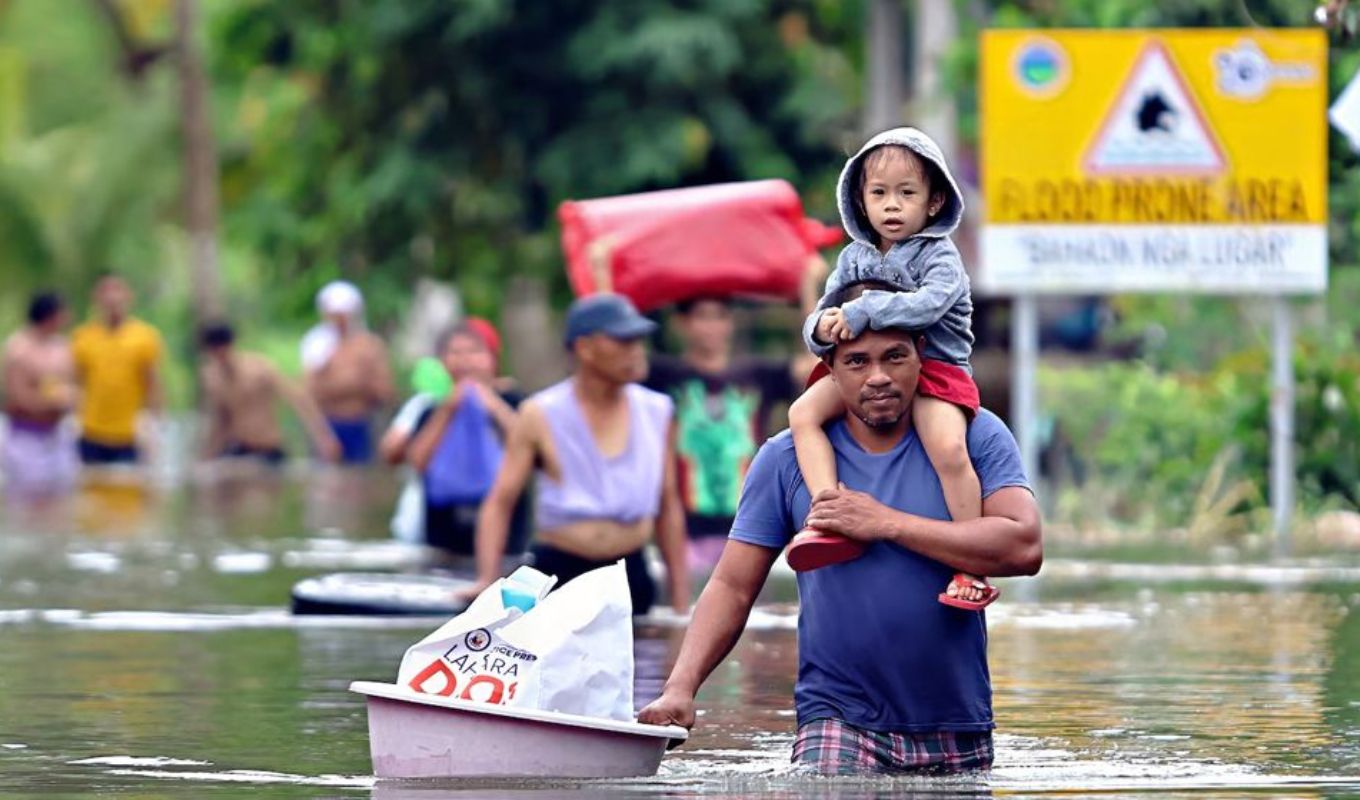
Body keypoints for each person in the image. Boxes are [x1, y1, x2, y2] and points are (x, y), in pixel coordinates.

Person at [638, 280, 1042, 773]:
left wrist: (886, 523)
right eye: (856, 362)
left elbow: (1023, 546)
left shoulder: (972, 434)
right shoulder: (785, 458)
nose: (878, 377)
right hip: (836, 719)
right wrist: (680, 687)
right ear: (828, 369)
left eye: (894, 357)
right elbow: (732, 585)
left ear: (922, 352)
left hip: (957, 720)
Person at [787, 127, 993, 609]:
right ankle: (828, 514)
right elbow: (824, 310)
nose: (892, 206)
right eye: (879, 194)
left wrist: (863, 312)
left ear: (934, 201)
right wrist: (821, 329)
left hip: (936, 368)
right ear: (860, 201)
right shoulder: (854, 257)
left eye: (907, 194)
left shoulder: (940, 255)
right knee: (802, 414)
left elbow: (929, 304)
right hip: (869, 370)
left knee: (948, 447)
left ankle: (972, 563)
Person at [462, 294, 690, 615]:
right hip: (559, 570)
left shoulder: (657, 411)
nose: (637, 351)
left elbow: (668, 506)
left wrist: (681, 604)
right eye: (623, 341)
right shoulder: (540, 412)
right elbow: (501, 501)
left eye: (638, 341)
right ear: (585, 348)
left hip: (629, 574)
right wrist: (486, 579)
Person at [643, 258, 826, 573]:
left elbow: (816, 368)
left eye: (720, 316)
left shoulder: (755, 374)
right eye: (702, 317)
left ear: (731, 323)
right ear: (681, 323)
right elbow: (611, 348)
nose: (712, 326)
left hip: (749, 529)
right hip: (684, 534)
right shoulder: (664, 377)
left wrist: (807, 289)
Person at [380, 319, 531, 554]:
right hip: (444, 536)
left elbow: (529, 446)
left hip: (506, 537)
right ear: (441, 361)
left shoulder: (513, 402)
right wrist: (448, 410)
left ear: (492, 359)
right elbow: (417, 461)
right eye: (455, 353)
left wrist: (491, 404)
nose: (465, 360)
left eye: (474, 351)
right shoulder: (431, 408)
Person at [198, 322, 341, 465]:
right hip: (239, 449)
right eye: (214, 351)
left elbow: (297, 399)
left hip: (268, 448)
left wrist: (324, 438)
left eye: (222, 348)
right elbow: (221, 421)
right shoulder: (212, 379)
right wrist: (208, 454)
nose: (220, 355)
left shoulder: (258, 369)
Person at [71, 273, 164, 465]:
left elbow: (152, 383)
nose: (112, 297)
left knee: (128, 483)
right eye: (105, 291)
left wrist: (154, 424)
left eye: (117, 290)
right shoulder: (82, 337)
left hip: (129, 434)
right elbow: (77, 383)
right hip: (91, 432)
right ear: (95, 298)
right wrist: (73, 419)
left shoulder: (145, 337)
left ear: (129, 296)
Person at [301, 280, 395, 464]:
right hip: (328, 424)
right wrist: (323, 435)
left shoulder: (369, 346)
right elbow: (310, 392)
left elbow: (385, 390)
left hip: (362, 424)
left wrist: (358, 383)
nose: (340, 319)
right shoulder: (316, 345)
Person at [1, 292, 78, 495]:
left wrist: (70, 397)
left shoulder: (62, 347)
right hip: (26, 438)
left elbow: (70, 385)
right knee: (28, 498)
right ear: (50, 315)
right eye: (63, 312)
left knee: (61, 499)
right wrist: (50, 402)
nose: (68, 317)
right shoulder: (18, 349)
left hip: (57, 435)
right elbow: (17, 397)